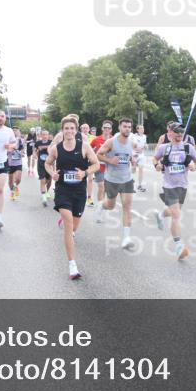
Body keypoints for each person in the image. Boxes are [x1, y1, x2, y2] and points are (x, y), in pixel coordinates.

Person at [46, 116, 101, 280]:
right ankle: (72, 265)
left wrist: (84, 173)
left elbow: (96, 164)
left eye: (71, 128)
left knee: (74, 224)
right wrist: (52, 174)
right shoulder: (56, 148)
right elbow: (48, 163)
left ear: (75, 130)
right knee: (69, 226)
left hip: (79, 191)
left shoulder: (84, 147)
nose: (69, 131)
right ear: (62, 130)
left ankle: (68, 221)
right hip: (62, 190)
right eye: (66, 128)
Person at [152, 124, 196, 260]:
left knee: (174, 211)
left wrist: (194, 166)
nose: (179, 135)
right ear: (170, 133)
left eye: (182, 132)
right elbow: (155, 158)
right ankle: (179, 246)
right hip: (169, 185)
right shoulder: (164, 148)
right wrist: (158, 165)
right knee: (176, 215)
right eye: (177, 132)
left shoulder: (187, 147)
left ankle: (161, 215)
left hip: (182, 185)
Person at [96, 118, 136, 248]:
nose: (127, 129)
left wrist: (133, 161)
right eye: (125, 126)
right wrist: (109, 160)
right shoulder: (111, 142)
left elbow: (129, 156)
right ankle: (102, 206)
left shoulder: (132, 142)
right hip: (112, 179)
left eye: (129, 127)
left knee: (127, 207)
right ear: (119, 127)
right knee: (111, 206)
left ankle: (126, 238)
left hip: (127, 179)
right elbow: (99, 154)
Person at [90, 120, 113, 220]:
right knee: (101, 186)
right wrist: (92, 159)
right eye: (105, 127)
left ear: (111, 129)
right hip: (99, 166)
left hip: (111, 167)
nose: (107, 129)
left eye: (109, 128)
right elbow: (88, 150)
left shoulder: (114, 139)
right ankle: (100, 208)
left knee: (106, 189)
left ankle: (101, 206)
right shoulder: (96, 140)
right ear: (102, 128)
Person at [34, 129, 54, 206]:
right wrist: (35, 154)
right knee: (43, 180)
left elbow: (54, 152)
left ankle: (47, 191)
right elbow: (34, 151)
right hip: (41, 164)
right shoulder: (38, 143)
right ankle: (44, 198)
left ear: (48, 135)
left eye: (46, 134)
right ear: (41, 135)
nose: (45, 136)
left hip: (50, 164)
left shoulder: (51, 143)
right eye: (43, 134)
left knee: (49, 180)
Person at [7, 127, 25, 201]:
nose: (15, 132)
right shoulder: (7, 140)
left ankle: (14, 188)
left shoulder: (21, 140)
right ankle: (12, 191)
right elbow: (4, 150)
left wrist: (22, 153)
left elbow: (22, 150)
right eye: (13, 130)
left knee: (18, 179)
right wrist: (10, 149)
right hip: (10, 162)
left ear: (18, 132)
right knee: (10, 180)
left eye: (16, 130)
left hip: (18, 162)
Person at [130, 123, 148, 192]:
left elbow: (144, 143)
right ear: (137, 130)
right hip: (134, 154)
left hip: (141, 155)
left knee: (141, 169)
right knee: (133, 169)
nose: (142, 129)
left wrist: (146, 146)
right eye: (141, 128)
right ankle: (130, 182)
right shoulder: (134, 136)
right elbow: (131, 144)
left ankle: (140, 185)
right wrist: (135, 148)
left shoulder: (144, 136)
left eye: (143, 128)